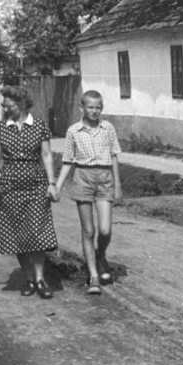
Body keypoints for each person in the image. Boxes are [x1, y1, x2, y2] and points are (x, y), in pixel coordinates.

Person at [0, 86, 59, 299]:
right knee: (16, 234)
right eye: (4, 105)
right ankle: (28, 277)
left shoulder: (39, 126)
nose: (5, 109)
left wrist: (52, 182)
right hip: (9, 186)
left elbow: (46, 155)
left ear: (22, 104)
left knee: (37, 232)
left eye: (9, 105)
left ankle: (40, 279)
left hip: (36, 184)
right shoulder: (1, 127)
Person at [55, 90, 122, 295]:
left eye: (98, 107)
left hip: (105, 179)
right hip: (83, 178)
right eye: (90, 107)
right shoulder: (73, 131)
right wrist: (57, 185)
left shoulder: (107, 128)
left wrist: (118, 185)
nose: (95, 111)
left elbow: (114, 157)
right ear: (82, 108)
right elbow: (68, 160)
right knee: (88, 230)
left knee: (105, 230)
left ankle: (100, 255)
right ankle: (93, 275)